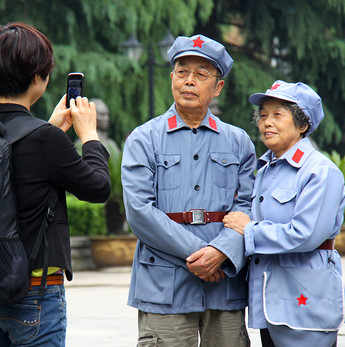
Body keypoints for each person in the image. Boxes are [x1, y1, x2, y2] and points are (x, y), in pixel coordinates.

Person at [0, 22, 111, 346]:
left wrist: (50, 128)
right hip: (32, 292)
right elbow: (97, 188)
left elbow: (10, 165)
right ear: (39, 78)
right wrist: (89, 136)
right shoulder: (44, 139)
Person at [121, 34, 256, 346]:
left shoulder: (238, 142)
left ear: (218, 87)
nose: (189, 81)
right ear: (171, 79)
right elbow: (140, 211)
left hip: (224, 283)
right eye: (182, 72)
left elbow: (249, 206)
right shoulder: (144, 139)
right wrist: (198, 256)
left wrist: (221, 253)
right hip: (164, 282)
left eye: (201, 74)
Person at [223, 81, 345, 346]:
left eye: (277, 114)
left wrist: (249, 230)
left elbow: (305, 235)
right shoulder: (266, 169)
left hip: (305, 300)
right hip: (271, 299)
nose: (267, 122)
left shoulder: (319, 172)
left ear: (302, 124)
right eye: (263, 115)